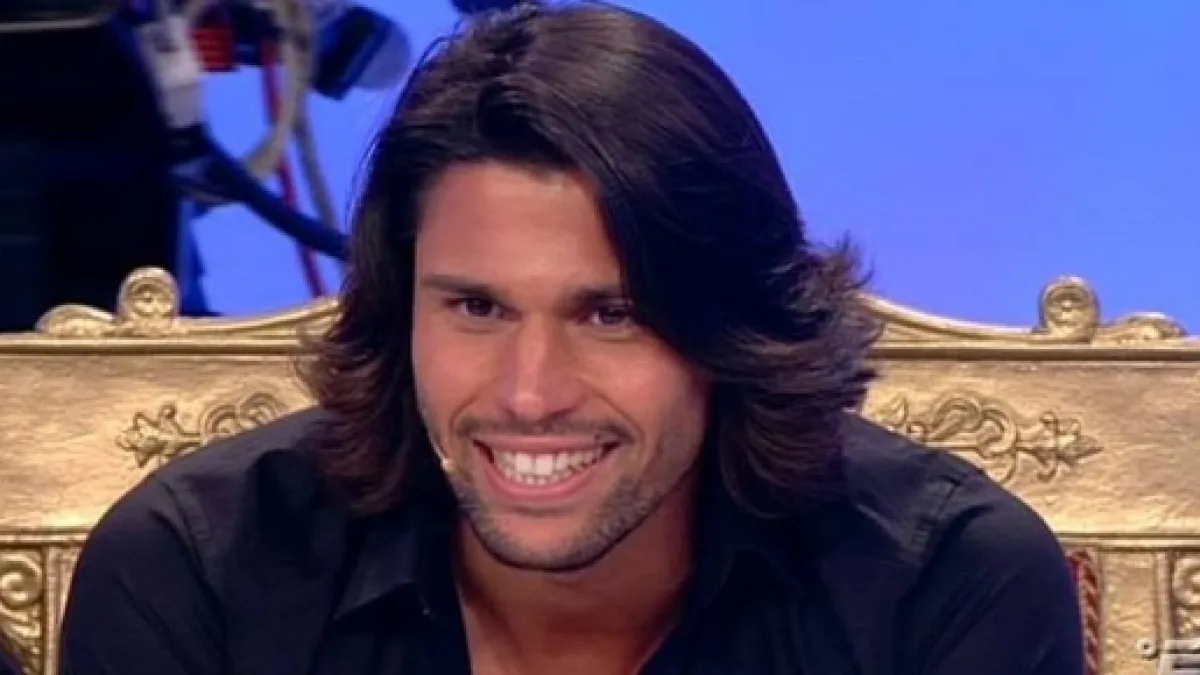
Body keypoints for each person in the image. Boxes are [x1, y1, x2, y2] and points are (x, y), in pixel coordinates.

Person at [59, 2, 1084, 674]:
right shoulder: (194, 573)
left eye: (611, 315)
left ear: (729, 329)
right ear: (398, 310)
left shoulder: (948, 584)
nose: (530, 392)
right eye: (476, 308)